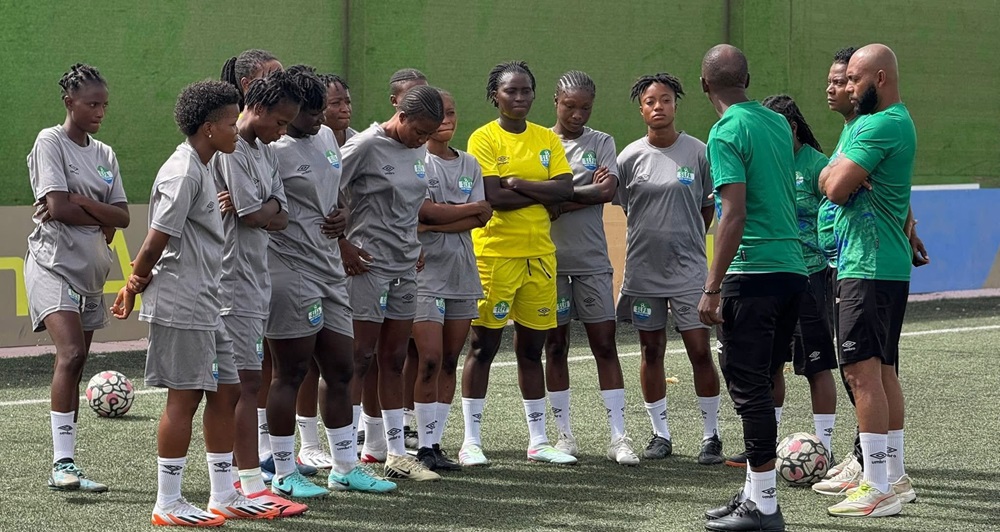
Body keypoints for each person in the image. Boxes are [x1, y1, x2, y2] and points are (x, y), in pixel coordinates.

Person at [112, 80, 279, 525]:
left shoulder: (207, 164)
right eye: (230, 122)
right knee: (182, 400)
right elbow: (154, 240)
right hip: (181, 303)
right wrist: (133, 284)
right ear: (209, 128)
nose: (236, 129)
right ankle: (167, 502)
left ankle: (224, 494)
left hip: (210, 302)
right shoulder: (184, 170)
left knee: (226, 391)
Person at [264, 65, 397, 497]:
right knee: (292, 371)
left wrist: (342, 214)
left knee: (342, 367)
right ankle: (285, 471)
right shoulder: (273, 148)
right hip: (289, 268)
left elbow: (333, 191)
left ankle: (344, 466)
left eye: (326, 108)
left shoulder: (325, 138)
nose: (322, 118)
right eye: (313, 111)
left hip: (329, 269)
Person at [697, 44, 807, 532]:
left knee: (748, 388)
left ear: (704, 86)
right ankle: (752, 496)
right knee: (762, 380)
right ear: (749, 78)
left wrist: (713, 285)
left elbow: (734, 214)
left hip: (753, 272)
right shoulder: (777, 123)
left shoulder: (725, 131)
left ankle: (764, 506)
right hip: (792, 270)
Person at [818, 43, 918, 518]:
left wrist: (839, 175)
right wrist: (840, 173)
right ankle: (893, 477)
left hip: (869, 264)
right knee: (881, 372)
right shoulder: (878, 124)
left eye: (855, 80)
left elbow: (833, 185)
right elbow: (834, 174)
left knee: (861, 373)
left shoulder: (881, 124)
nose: (848, 88)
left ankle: (876, 483)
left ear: (880, 77)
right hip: (880, 264)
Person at [459, 61, 576, 467]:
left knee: (532, 349)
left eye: (526, 91)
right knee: (483, 346)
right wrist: (543, 194)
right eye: (512, 91)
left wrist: (520, 184)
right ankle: (471, 441)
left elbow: (567, 187)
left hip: (540, 257)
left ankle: (538, 440)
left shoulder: (546, 137)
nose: (520, 98)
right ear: (496, 96)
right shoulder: (483, 138)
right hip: (494, 255)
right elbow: (494, 198)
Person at [27, 63, 129, 494]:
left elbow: (121, 216)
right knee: (69, 355)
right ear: (69, 102)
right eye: (91, 104)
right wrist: (88, 210)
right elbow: (56, 206)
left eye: (104, 105)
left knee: (79, 361)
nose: (99, 112)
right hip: (52, 265)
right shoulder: (50, 141)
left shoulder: (105, 155)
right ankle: (61, 463)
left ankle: (70, 462)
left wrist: (80, 201)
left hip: (91, 273)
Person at [212, 70, 310, 516]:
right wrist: (263, 209)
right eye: (281, 122)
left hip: (256, 277)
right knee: (240, 384)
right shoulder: (230, 150)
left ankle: (243, 481)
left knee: (247, 381)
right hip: (229, 280)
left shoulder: (265, 151)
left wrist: (264, 208)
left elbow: (278, 213)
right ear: (259, 109)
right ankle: (245, 485)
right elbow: (253, 213)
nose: (283, 131)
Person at [615, 73, 724, 466]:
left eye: (665, 99)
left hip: (689, 271)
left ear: (676, 105)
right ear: (641, 108)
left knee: (699, 350)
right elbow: (627, 206)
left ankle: (711, 436)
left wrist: (688, 234)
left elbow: (709, 207)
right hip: (644, 272)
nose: (657, 106)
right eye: (649, 101)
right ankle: (660, 434)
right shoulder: (628, 157)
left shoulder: (698, 152)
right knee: (650, 349)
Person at [340, 84, 446, 481]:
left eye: (428, 134)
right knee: (360, 357)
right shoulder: (365, 145)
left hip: (406, 265)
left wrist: (413, 241)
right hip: (367, 266)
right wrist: (342, 245)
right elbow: (325, 194)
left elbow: (413, 202)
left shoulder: (418, 148)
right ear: (400, 116)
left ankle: (395, 453)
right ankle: (345, 456)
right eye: (418, 131)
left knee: (395, 359)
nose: (423, 140)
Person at [543, 70, 638, 466]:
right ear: (555, 101)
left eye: (585, 107)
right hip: (548, 262)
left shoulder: (602, 142)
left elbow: (607, 190)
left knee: (604, 345)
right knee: (556, 346)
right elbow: (530, 194)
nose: (578, 114)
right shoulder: (540, 142)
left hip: (593, 262)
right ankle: (564, 435)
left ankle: (619, 436)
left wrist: (560, 199)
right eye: (570, 106)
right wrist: (580, 191)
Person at [410, 89, 491, 471]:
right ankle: (421, 445)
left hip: (462, 273)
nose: (447, 119)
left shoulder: (470, 164)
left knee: (449, 360)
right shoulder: (416, 161)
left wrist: (444, 217)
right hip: (424, 275)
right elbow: (420, 219)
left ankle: (435, 443)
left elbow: (482, 217)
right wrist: (465, 211)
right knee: (428, 358)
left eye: (452, 112)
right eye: (438, 113)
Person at [761, 94, 839, 459]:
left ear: (792, 128)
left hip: (809, 276)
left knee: (816, 364)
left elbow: (836, 199)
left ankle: (823, 447)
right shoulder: (763, 163)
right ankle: (766, 444)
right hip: (771, 274)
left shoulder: (816, 165)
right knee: (770, 362)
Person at [320, 73, 357, 147]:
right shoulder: (310, 143)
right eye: (336, 103)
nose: (346, 109)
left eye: (348, 102)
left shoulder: (357, 143)